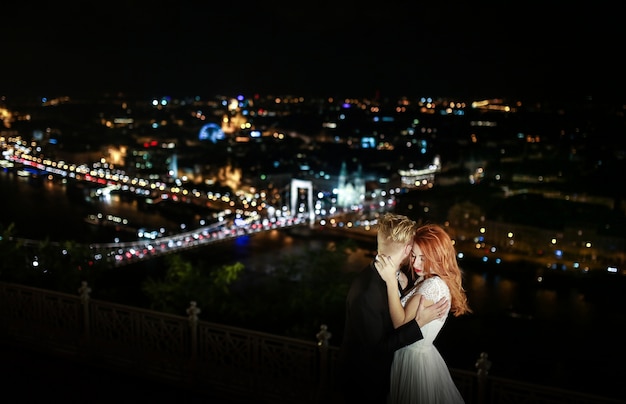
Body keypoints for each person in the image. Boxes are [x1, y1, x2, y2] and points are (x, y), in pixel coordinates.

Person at [338, 213, 449, 404]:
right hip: (366, 384)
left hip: (389, 377)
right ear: (407, 249)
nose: (415, 262)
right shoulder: (367, 291)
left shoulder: (395, 277)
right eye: (414, 255)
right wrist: (419, 323)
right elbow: (377, 349)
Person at [377, 223, 472, 403]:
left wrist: (390, 281)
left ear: (438, 256)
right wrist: (405, 286)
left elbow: (400, 322)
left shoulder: (433, 285)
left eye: (423, 258)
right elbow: (411, 307)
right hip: (417, 356)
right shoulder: (428, 279)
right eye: (413, 256)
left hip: (413, 362)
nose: (415, 263)